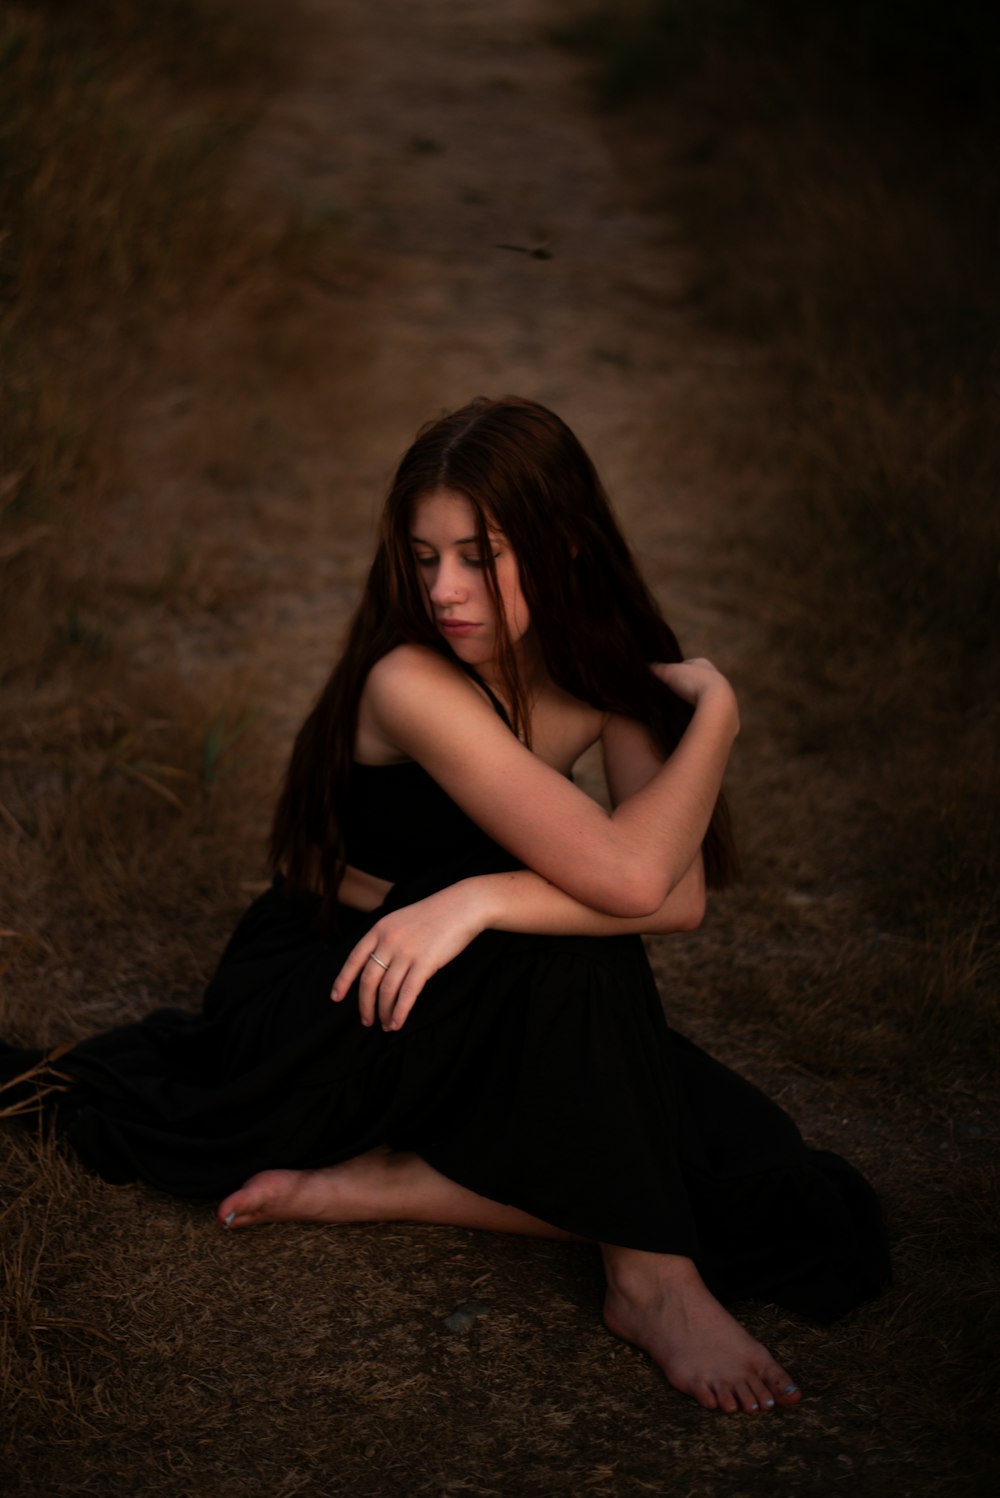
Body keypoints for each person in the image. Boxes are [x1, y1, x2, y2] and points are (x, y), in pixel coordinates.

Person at [0, 396, 888, 1416]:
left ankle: (405, 1182)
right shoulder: (409, 678)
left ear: (559, 541)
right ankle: (651, 1284)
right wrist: (714, 719)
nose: (445, 592)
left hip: (466, 984)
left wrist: (473, 900)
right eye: (423, 560)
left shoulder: (603, 656)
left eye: (478, 555)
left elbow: (673, 895)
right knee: (579, 942)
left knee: (777, 1184)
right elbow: (637, 885)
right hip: (337, 996)